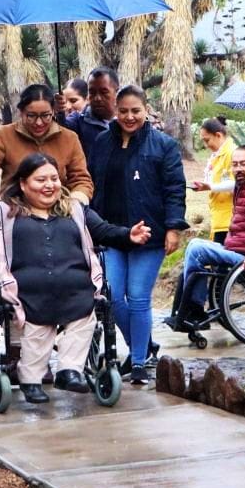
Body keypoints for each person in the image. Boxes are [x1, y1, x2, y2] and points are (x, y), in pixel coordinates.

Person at [0, 153, 151, 403]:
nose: (49, 185)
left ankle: (69, 371)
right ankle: (30, 380)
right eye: (40, 179)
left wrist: (129, 236)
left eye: (54, 179)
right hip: (27, 290)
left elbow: (104, 231)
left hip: (76, 289)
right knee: (37, 329)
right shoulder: (4, 212)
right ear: (23, 183)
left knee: (86, 316)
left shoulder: (75, 210)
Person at [87, 85, 187, 386]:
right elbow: (93, 185)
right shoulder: (103, 142)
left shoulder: (164, 145)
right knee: (114, 296)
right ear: (115, 111)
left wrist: (173, 227)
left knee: (139, 297)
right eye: (124, 111)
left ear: (146, 110)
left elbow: (174, 189)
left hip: (149, 233)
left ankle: (140, 363)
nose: (129, 116)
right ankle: (142, 347)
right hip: (113, 233)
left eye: (135, 111)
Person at [166, 145, 245, 330]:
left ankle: (194, 310)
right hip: (236, 250)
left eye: (243, 164)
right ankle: (186, 311)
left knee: (198, 251)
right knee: (194, 244)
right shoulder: (243, 188)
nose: (238, 169)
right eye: (235, 164)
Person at [0, 83, 93, 210]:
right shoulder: (5, 135)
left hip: (58, 216)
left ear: (53, 112)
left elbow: (81, 180)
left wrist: (75, 204)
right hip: (13, 214)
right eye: (31, 116)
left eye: (45, 116)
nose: (39, 122)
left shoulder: (69, 138)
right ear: (21, 112)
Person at [55, 67, 120, 165]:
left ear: (116, 92)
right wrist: (57, 111)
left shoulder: (128, 122)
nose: (97, 98)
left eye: (104, 92)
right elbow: (59, 130)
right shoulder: (78, 121)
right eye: (92, 92)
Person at [191, 117, 238, 244]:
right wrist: (203, 185)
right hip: (218, 218)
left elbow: (237, 184)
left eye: (207, 140)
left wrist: (210, 186)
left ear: (218, 135)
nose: (206, 145)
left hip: (229, 218)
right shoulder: (216, 155)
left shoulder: (232, 153)